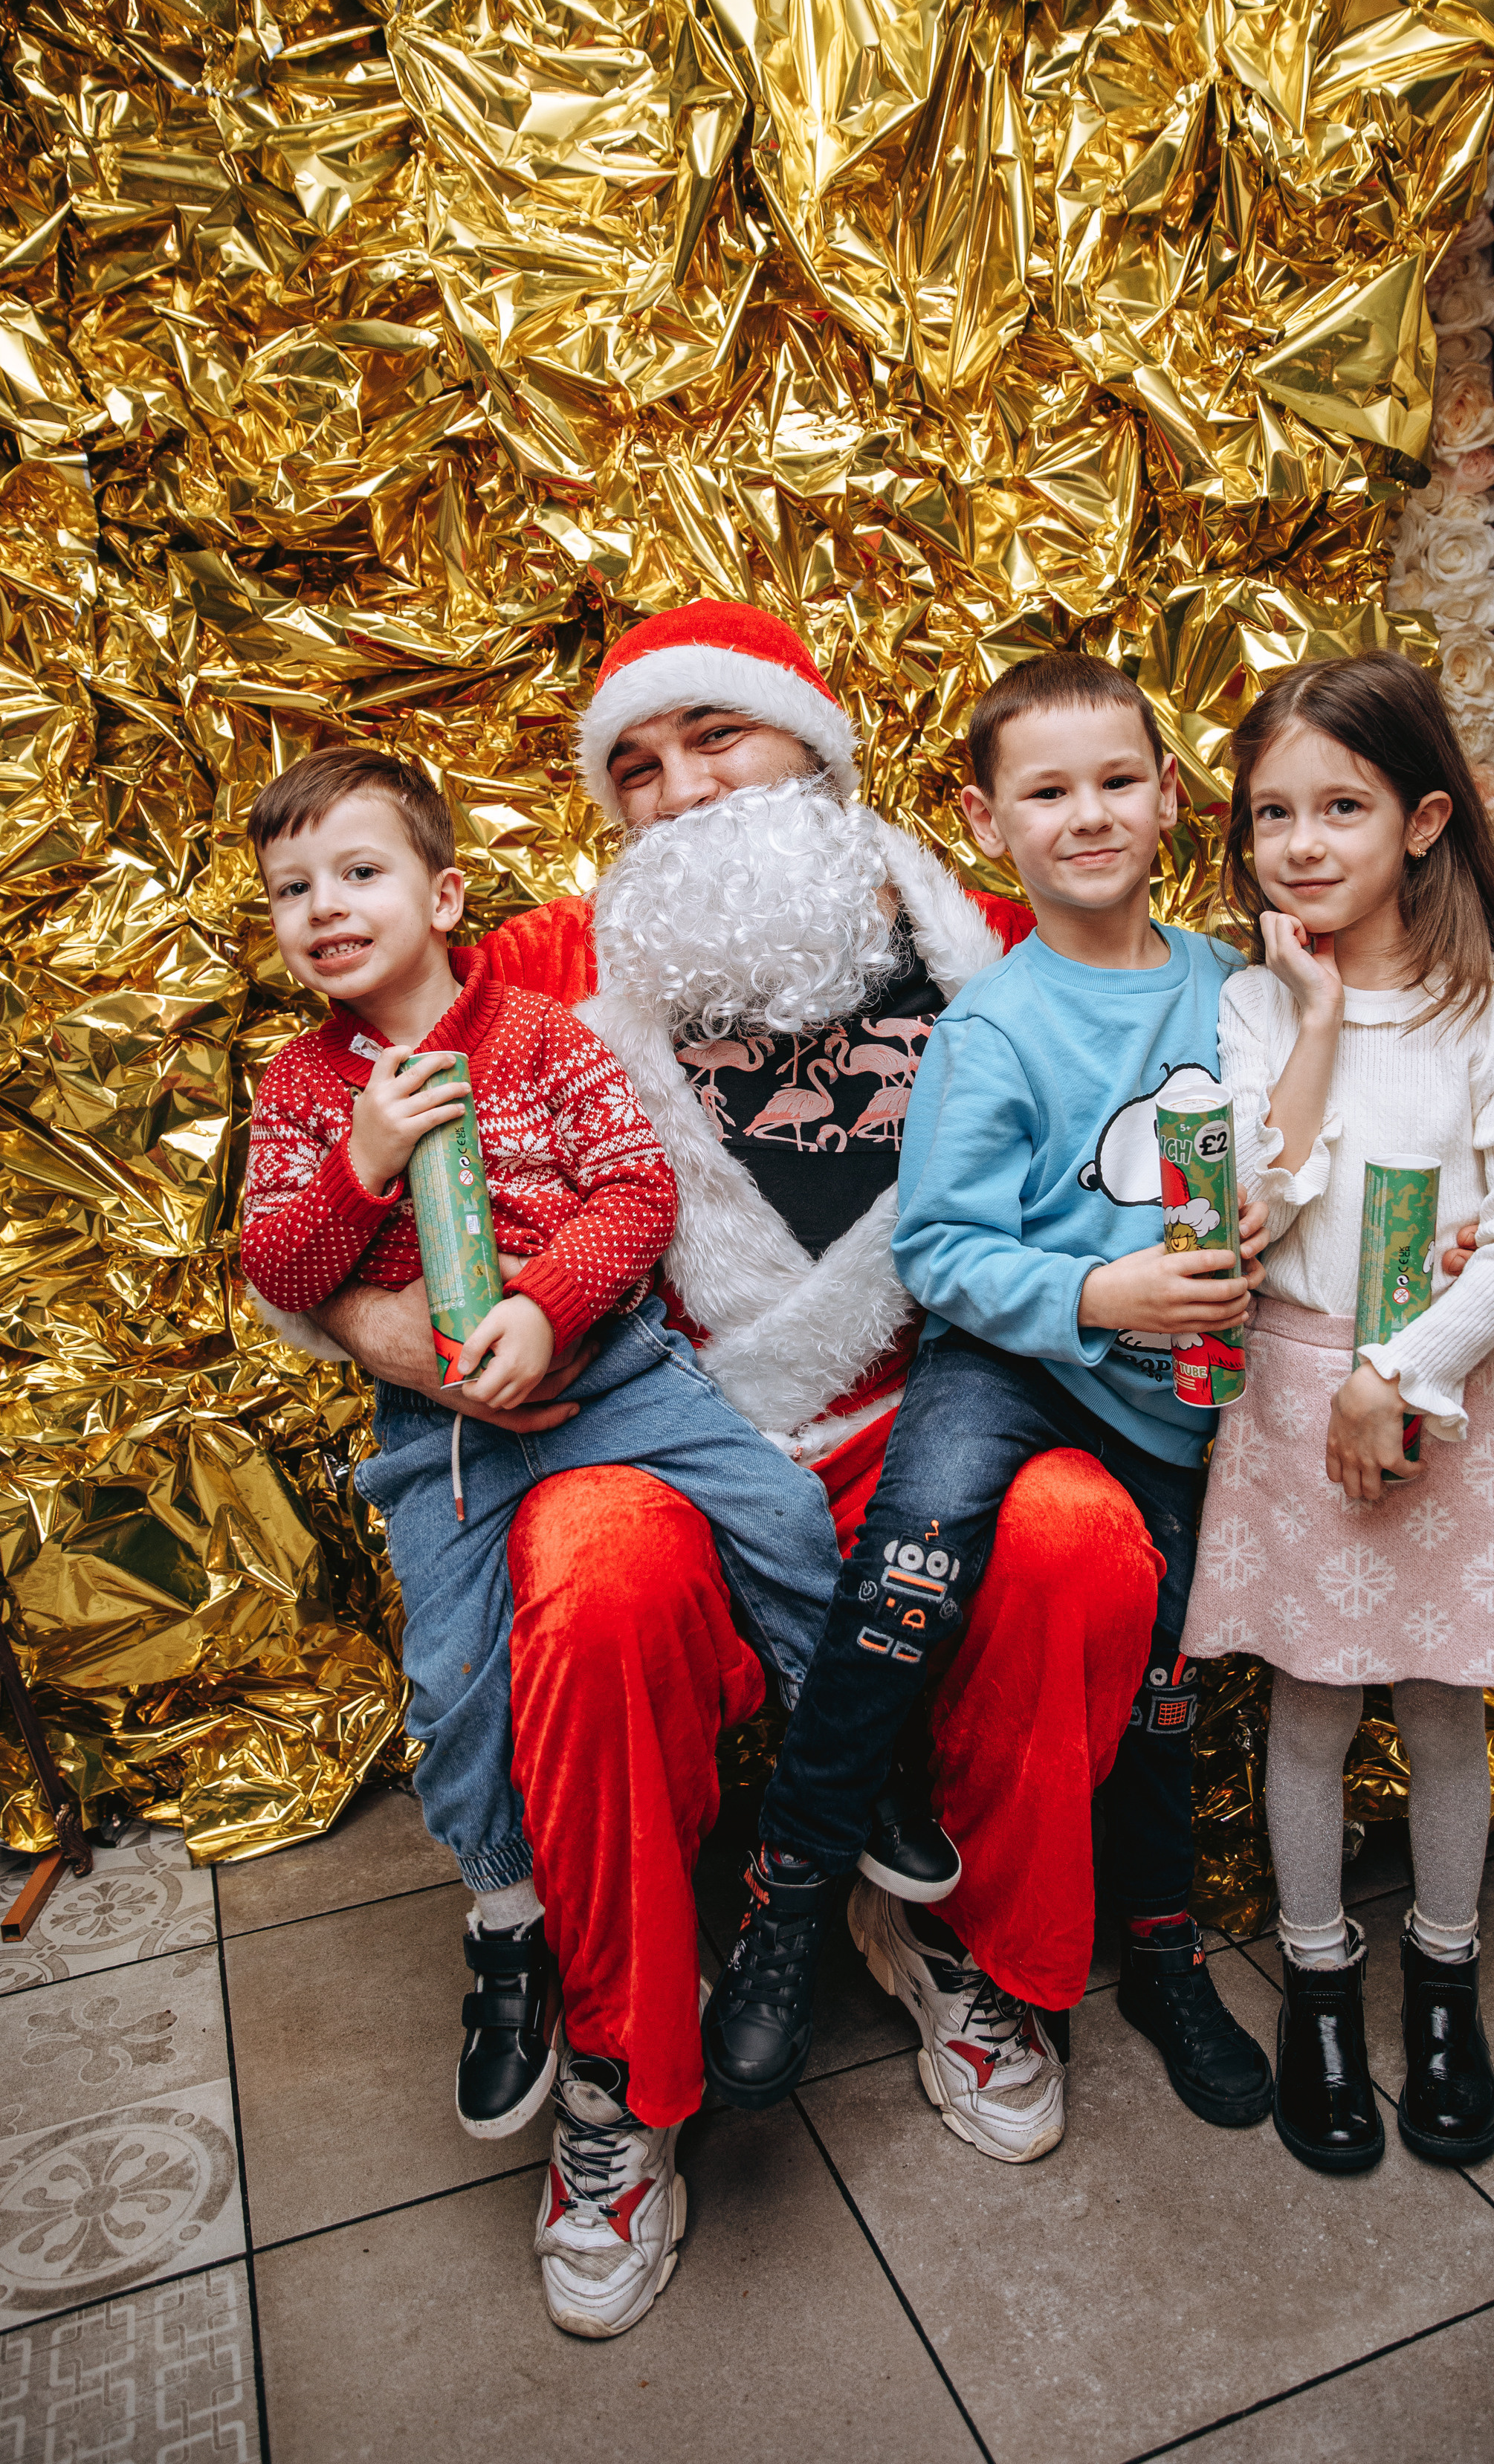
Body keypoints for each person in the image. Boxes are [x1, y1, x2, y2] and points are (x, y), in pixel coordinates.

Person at [276, 601, 1190, 2341]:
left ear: (815, 751)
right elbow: (329, 1138)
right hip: (672, 1441)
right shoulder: (550, 965)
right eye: (638, 765)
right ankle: (627, 2066)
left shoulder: (987, 931)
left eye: (721, 739)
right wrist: (380, 1328)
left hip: (945, 1433)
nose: (682, 790)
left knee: (1077, 1537)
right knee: (588, 1568)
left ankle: (965, 1955)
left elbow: (1177, 1032)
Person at [702, 650, 1276, 2144]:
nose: (1089, 815)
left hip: (1171, 1404)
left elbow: (1295, 1153)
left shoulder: (1242, 990)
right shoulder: (995, 1023)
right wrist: (1102, 1293)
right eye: (1048, 792)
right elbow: (946, 1254)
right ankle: (799, 1884)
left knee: (1160, 1684)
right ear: (987, 818)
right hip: (1009, 1369)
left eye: (1117, 780)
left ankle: (1159, 1948)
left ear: (1168, 796)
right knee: (908, 1575)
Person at [239, 743, 847, 2148]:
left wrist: (545, 1300)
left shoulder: (536, 1036)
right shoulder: (306, 1088)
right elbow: (280, 1266)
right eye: (292, 890)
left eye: (360, 872)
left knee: (784, 1516)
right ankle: (508, 1921)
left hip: (619, 1378)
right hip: (439, 1438)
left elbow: (633, 1197)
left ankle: (843, 1773)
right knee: (453, 1681)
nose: (325, 906)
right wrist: (363, 1163)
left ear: (443, 893)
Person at [1180, 650, 1494, 2176]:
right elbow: (1249, 1217)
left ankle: (1447, 1988)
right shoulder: (1248, 1003)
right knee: (1309, 1704)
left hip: (1436, 1396)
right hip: (1290, 1394)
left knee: (1440, 1705)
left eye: (1337, 805)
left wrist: (1399, 1369)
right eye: (1271, 812)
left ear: (1420, 822)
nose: (1299, 842)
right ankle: (1324, 1992)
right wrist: (1317, 1021)